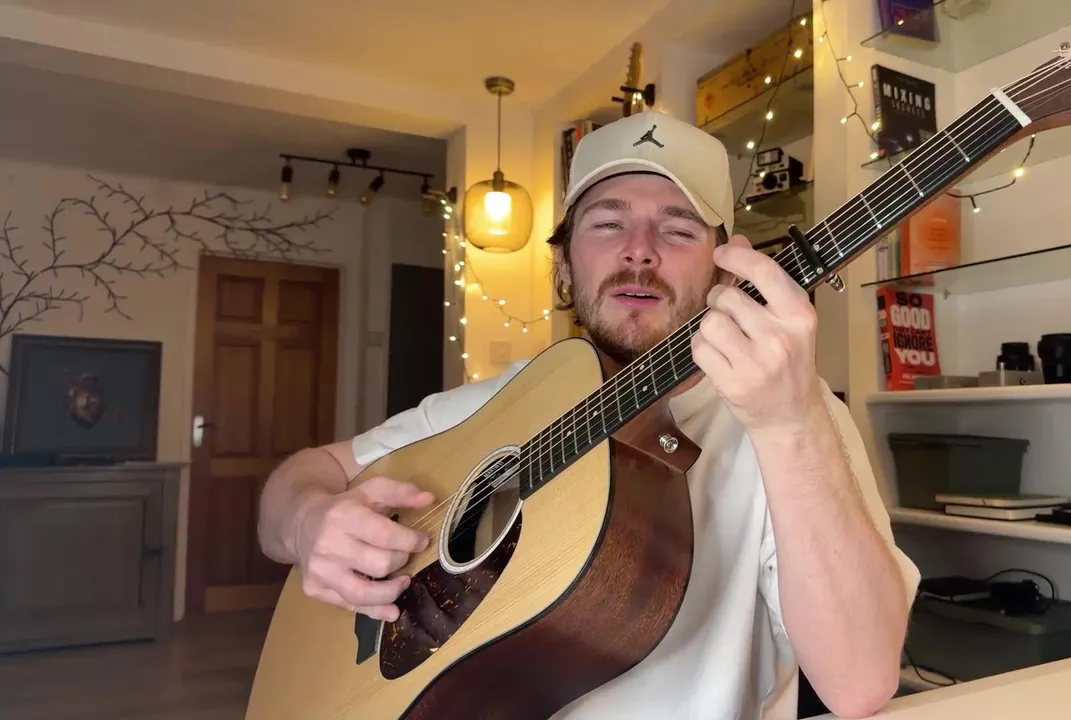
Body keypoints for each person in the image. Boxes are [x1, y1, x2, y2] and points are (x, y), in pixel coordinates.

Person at [257, 110, 920, 719]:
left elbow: (859, 682)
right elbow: (304, 478)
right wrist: (308, 518)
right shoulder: (494, 405)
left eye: (678, 228)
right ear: (563, 265)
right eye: (608, 223)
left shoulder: (794, 414)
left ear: (725, 272)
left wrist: (790, 424)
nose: (640, 249)